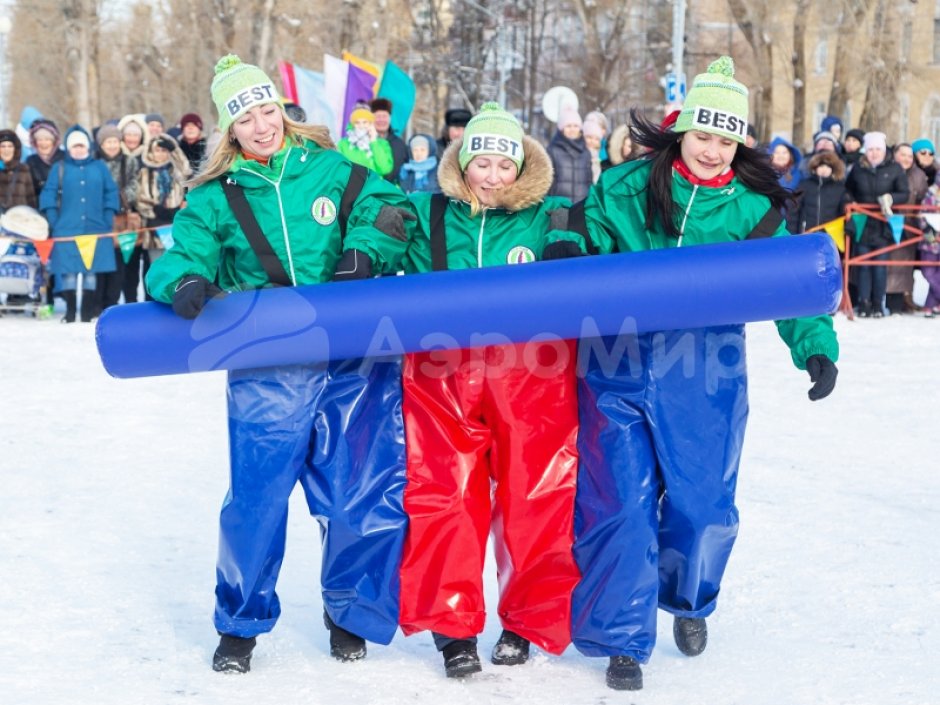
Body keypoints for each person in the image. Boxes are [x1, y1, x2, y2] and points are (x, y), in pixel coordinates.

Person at [572, 56, 840, 692]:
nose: (714, 151)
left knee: (704, 505)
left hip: (706, 375)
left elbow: (792, 287)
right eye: (703, 136)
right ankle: (623, 637)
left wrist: (814, 346)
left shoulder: (756, 208)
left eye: (726, 139)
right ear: (679, 129)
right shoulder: (623, 186)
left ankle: (689, 599)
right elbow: (581, 260)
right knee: (621, 505)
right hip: (617, 366)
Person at [145, 54, 417, 674]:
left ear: (283, 112)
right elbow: (180, 253)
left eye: (267, 110)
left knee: (358, 495)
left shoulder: (330, 168)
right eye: (245, 118)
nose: (261, 124)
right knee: (257, 500)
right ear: (229, 131)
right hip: (268, 367)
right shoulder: (216, 196)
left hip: (352, 359)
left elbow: (389, 206)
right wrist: (184, 279)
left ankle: (348, 611)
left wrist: (364, 251)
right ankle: (240, 621)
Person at [397, 102, 585, 679]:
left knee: (536, 497)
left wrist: (572, 247)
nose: (494, 176)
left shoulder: (553, 214)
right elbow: (377, 240)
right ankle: (453, 627)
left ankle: (527, 619)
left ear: (523, 166)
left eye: (505, 164)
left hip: (534, 376)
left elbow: (597, 241)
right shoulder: (428, 214)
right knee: (446, 497)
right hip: (441, 376)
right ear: (463, 163)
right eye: (482, 162)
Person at [39, 126, 119, 322]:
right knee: (68, 273)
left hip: (96, 227)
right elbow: (48, 195)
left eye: (81, 145)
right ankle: (70, 312)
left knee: (91, 272)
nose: (78, 149)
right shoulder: (59, 168)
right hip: (66, 228)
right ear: (68, 147)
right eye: (74, 146)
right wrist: (53, 220)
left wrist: (108, 216)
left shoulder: (99, 167)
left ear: (88, 147)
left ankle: (86, 313)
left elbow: (111, 193)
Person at [845, 131, 910, 317]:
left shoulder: (895, 168)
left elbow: (904, 193)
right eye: (871, 149)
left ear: (884, 150)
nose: (874, 153)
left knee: (880, 266)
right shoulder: (858, 168)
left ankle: (877, 305)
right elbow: (848, 190)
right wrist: (851, 202)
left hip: (884, 223)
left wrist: (891, 197)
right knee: (863, 265)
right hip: (862, 222)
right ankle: (863, 303)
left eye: (878, 149)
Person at [94, 123, 141, 310]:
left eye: (114, 141)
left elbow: (134, 184)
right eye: (108, 142)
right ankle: (99, 302)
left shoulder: (129, 161)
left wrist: (116, 199)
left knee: (120, 264)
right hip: (99, 218)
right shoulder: (94, 162)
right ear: (101, 144)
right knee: (100, 262)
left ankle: (114, 303)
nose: (112, 145)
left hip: (122, 218)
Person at [888, 142, 929, 313]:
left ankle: (904, 299)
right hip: (887, 222)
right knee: (887, 263)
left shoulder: (919, 175)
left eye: (909, 156)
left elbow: (924, 198)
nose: (906, 159)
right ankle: (885, 300)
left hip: (910, 225)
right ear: (895, 155)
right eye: (902, 154)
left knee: (905, 265)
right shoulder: (887, 171)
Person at [789, 150, 851, 234]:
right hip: (807, 233)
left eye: (828, 167)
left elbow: (845, 211)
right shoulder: (805, 185)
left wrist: (848, 224)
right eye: (821, 166)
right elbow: (794, 210)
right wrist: (792, 233)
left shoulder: (839, 188)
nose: (824, 170)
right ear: (815, 168)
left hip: (830, 235)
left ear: (832, 169)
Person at [547, 106, 593, 202]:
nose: (572, 129)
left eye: (575, 126)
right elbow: (547, 182)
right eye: (568, 126)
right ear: (562, 129)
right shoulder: (552, 150)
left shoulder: (586, 152)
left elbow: (589, 182)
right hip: (558, 206)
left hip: (581, 206)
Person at [336, 105, 394, 176]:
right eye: (357, 122)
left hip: (372, 185)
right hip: (350, 185)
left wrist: (373, 141)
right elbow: (338, 169)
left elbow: (384, 168)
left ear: (370, 124)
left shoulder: (382, 144)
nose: (361, 126)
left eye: (365, 122)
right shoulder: (343, 144)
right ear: (352, 125)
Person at [370, 98, 408, 184]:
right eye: (377, 117)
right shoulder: (364, 143)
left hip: (393, 190)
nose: (381, 120)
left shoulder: (399, 144)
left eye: (384, 116)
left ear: (390, 118)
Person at [0, 130, 38, 210]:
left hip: (18, 219)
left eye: (10, 146)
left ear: (15, 149)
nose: (6, 150)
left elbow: (30, 199)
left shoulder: (23, 169)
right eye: (3, 146)